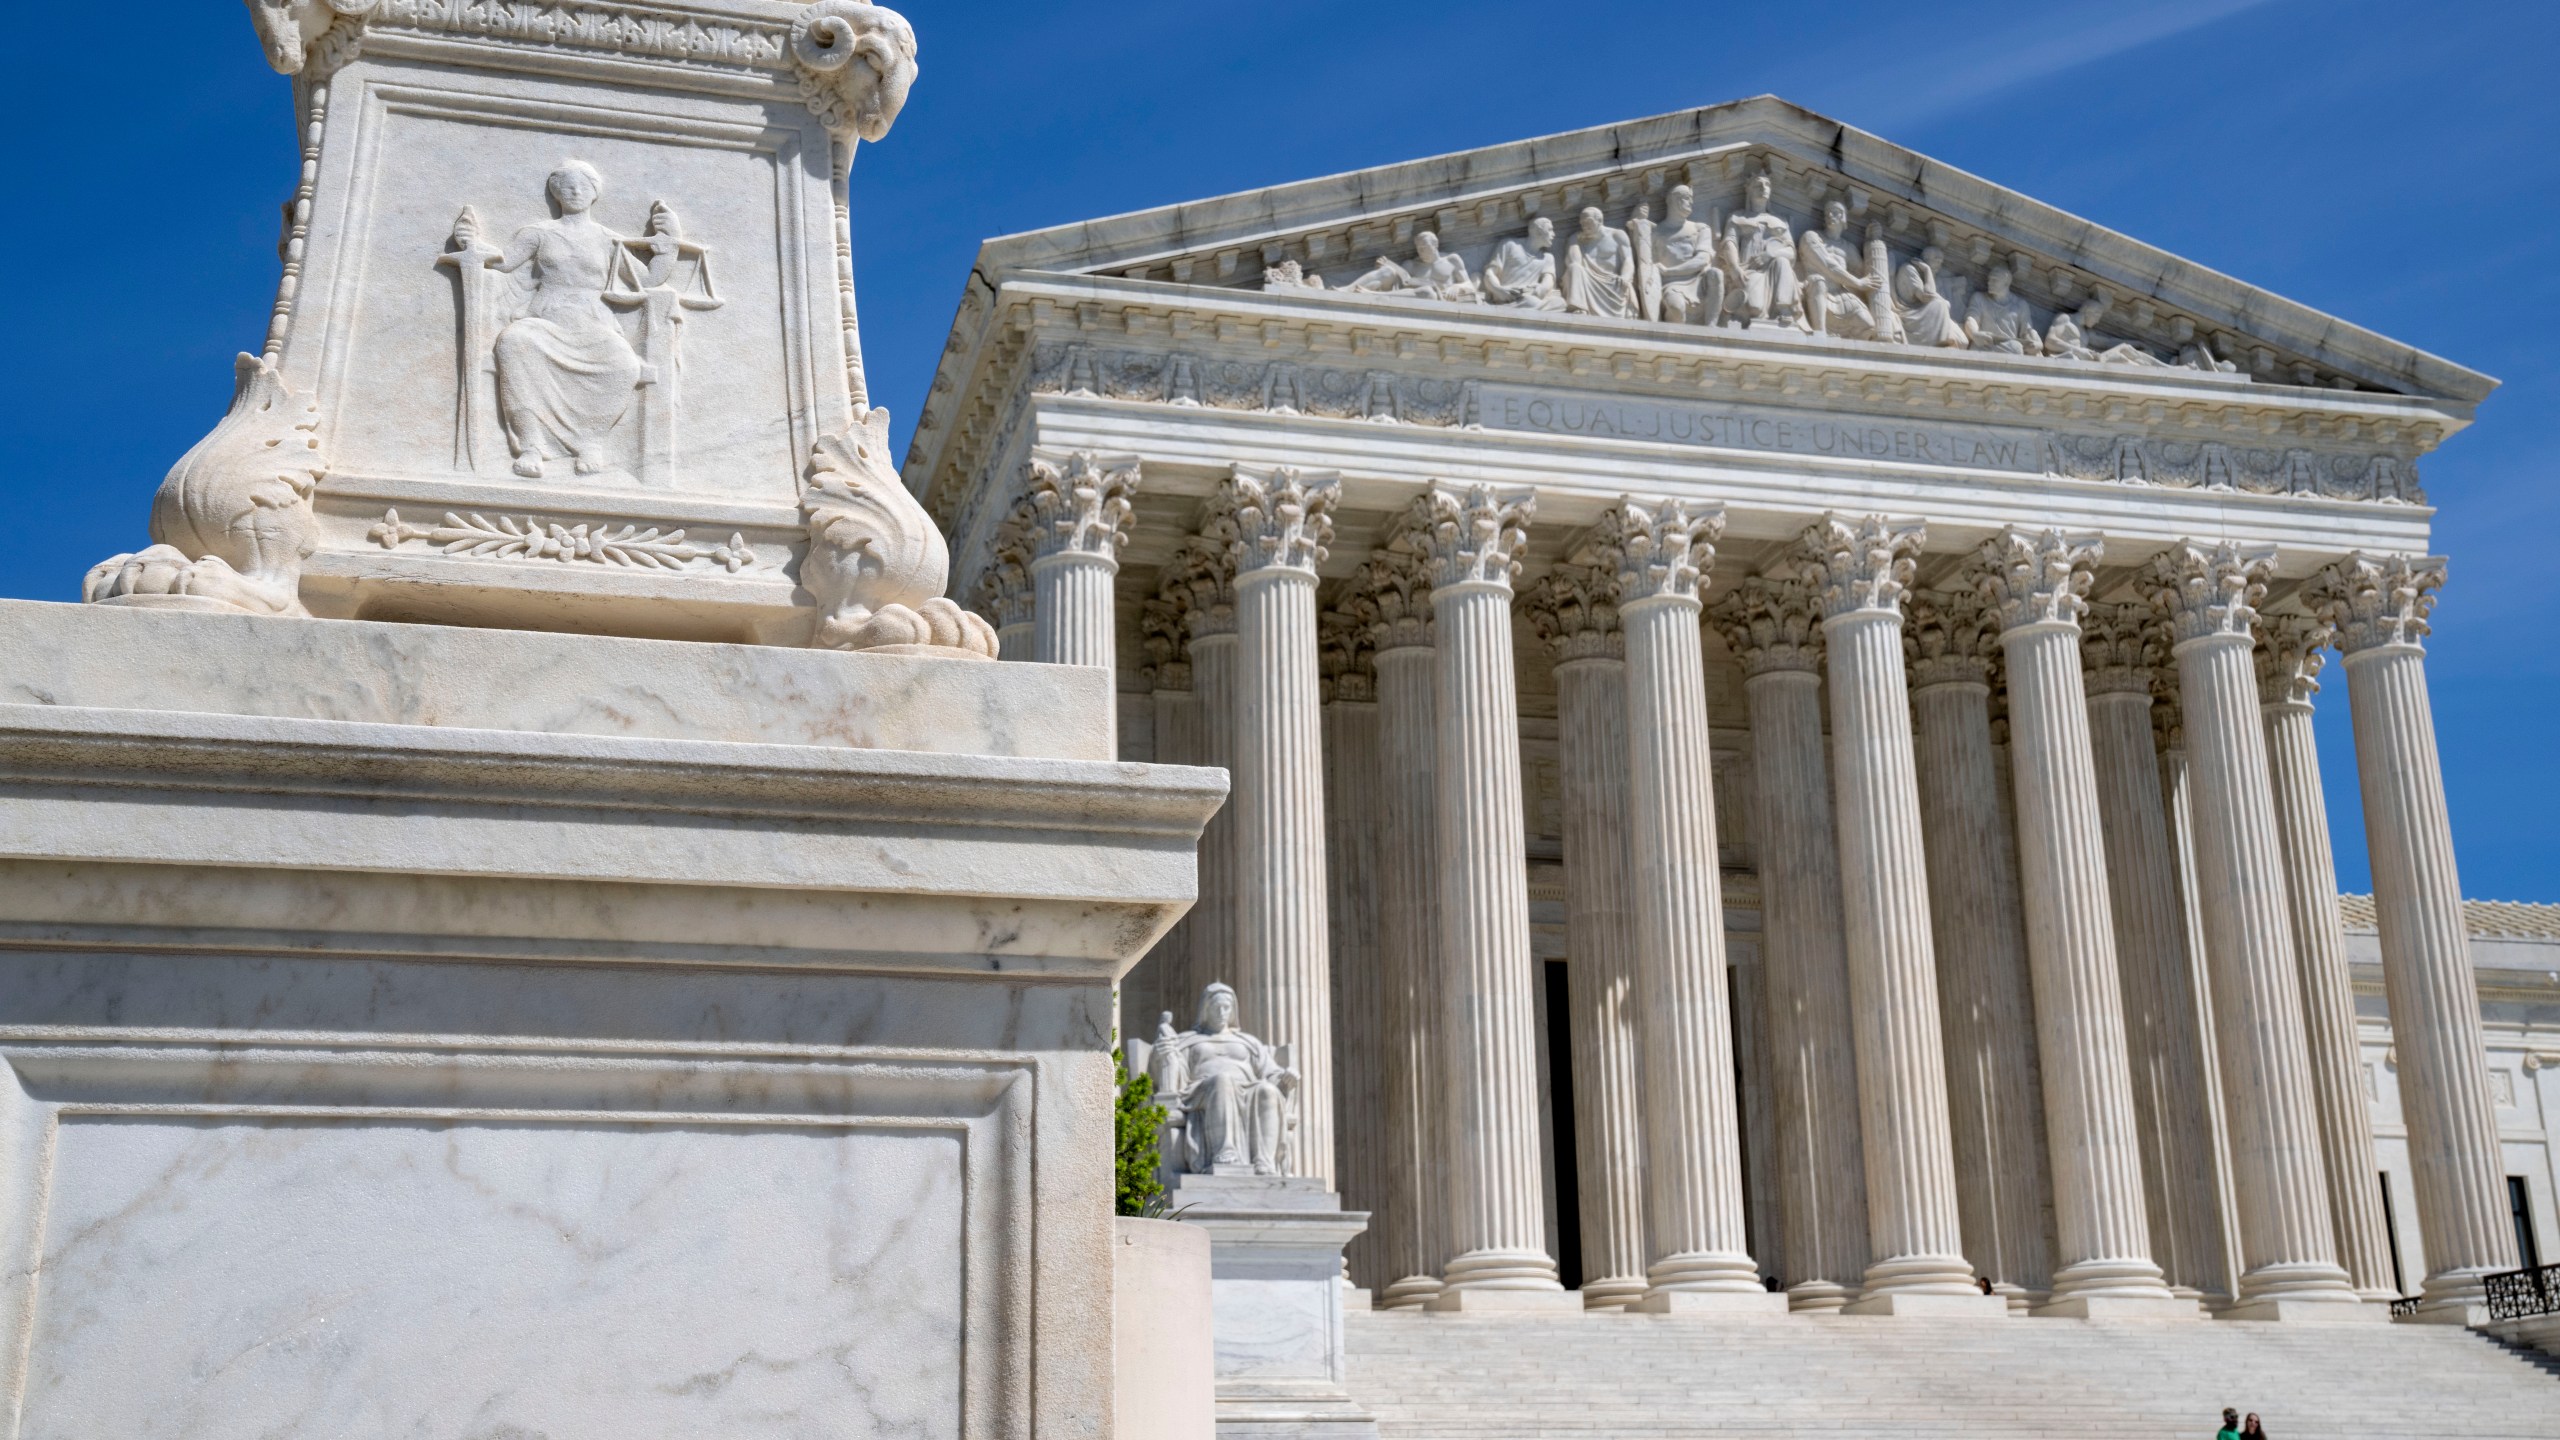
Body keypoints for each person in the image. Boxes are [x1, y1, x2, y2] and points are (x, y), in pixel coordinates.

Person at [483, 160, 650, 479]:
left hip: (593, 323)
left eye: (583, 186)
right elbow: (503, 264)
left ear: (594, 194)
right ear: (555, 193)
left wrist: (668, 246)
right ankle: (532, 446)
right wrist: (470, 245)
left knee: (624, 365)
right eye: (567, 186)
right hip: (547, 318)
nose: (575, 191)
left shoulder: (608, 240)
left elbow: (646, 280)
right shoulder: (538, 234)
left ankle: (592, 440)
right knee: (515, 341)